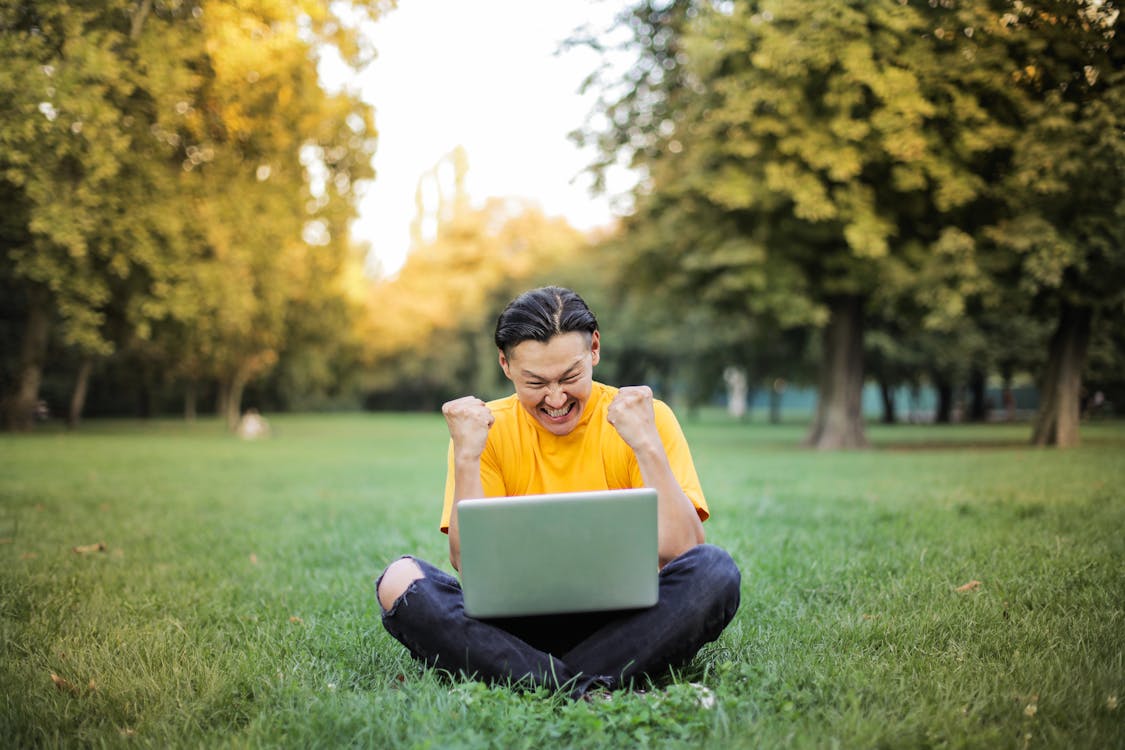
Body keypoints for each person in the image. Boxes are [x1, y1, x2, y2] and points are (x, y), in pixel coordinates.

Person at [375, 286, 741, 699]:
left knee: (715, 570)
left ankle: (528, 677)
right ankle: (587, 686)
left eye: (570, 377)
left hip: (626, 622)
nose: (555, 399)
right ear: (505, 364)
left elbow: (685, 551)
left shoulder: (644, 418)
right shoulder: (482, 429)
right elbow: (469, 563)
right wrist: (466, 456)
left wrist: (647, 444)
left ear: (595, 350)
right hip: (516, 624)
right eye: (535, 382)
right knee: (398, 581)